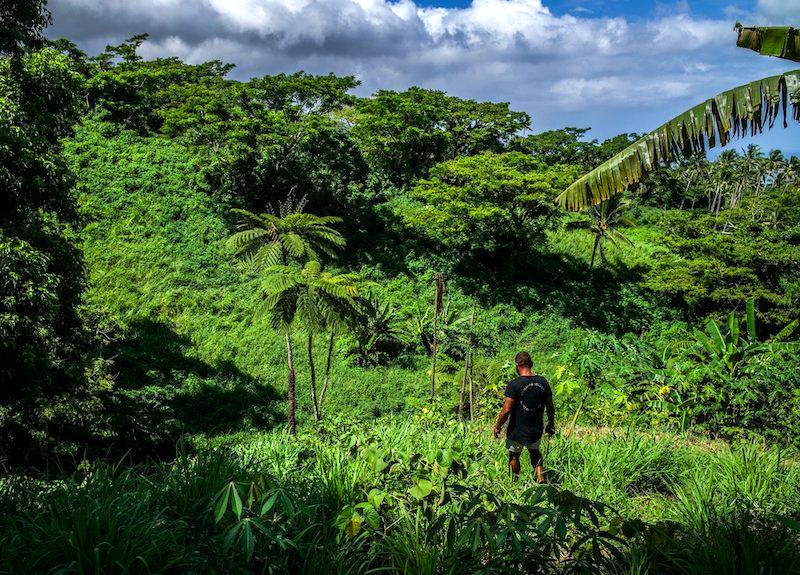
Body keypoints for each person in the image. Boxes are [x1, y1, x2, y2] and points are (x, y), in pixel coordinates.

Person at [493, 351, 555, 483]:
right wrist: (551, 423)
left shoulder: (514, 384)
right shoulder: (543, 382)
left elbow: (506, 410)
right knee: (535, 452)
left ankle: (514, 482)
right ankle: (541, 478)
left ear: (517, 365)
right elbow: (550, 405)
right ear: (530, 364)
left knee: (514, 456)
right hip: (536, 428)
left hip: (517, 430)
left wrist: (498, 426)